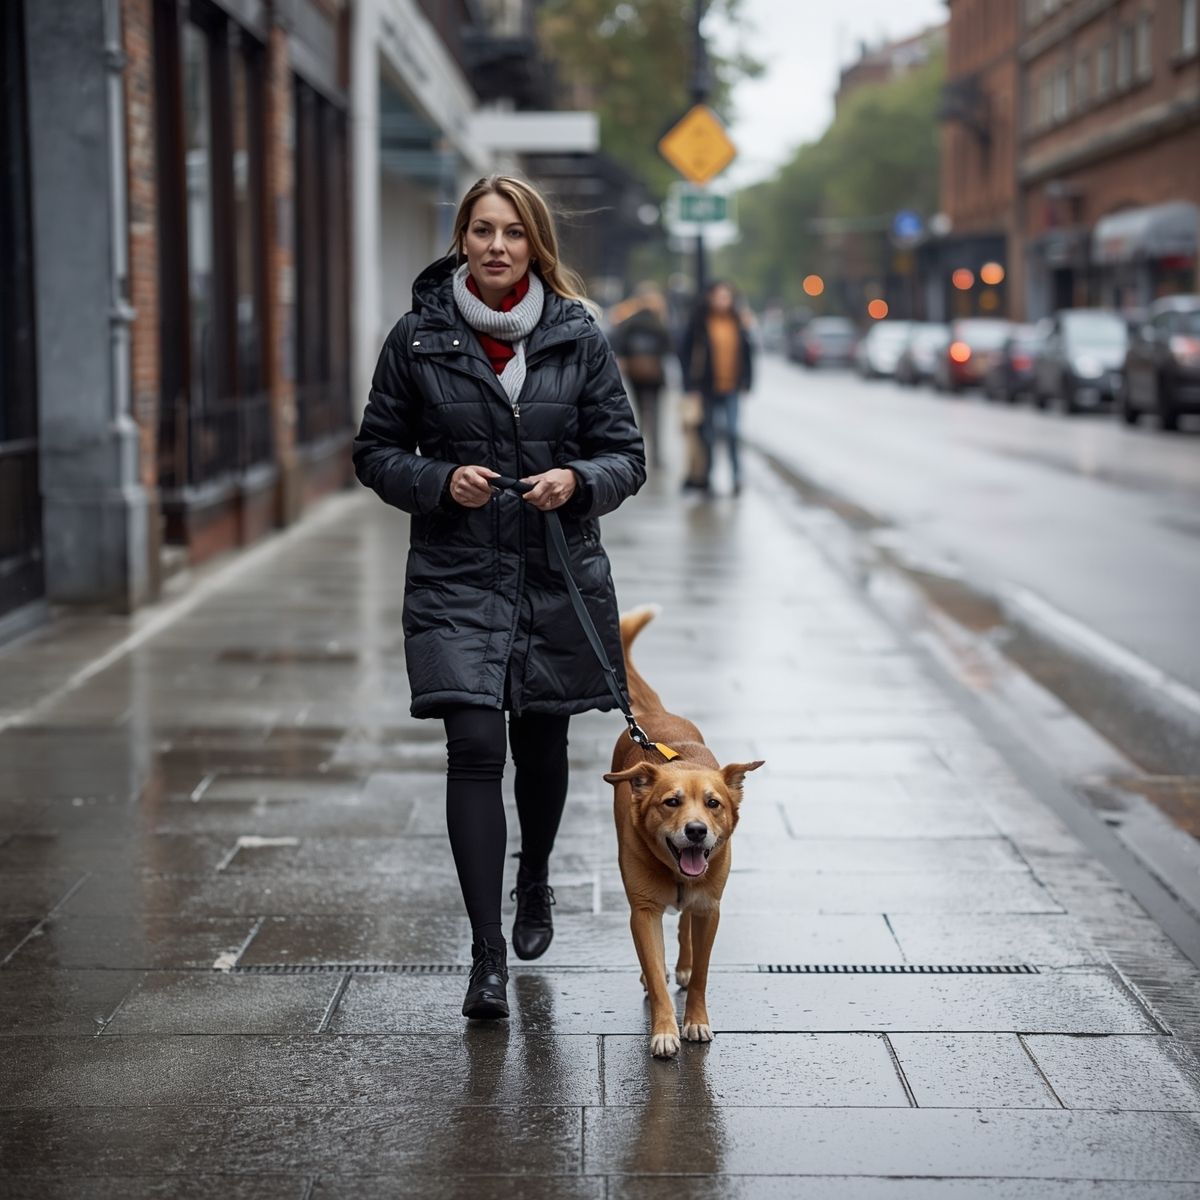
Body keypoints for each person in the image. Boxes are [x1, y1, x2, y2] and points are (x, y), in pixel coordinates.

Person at [353, 176, 646, 1022]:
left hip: (555, 573)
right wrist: (441, 480)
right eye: (481, 230)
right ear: (461, 239)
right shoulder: (418, 338)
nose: (495, 246)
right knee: (476, 745)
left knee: (542, 742)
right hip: (457, 575)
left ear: (534, 244)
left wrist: (575, 480)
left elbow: (625, 455)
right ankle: (486, 955)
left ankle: (536, 877)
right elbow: (375, 452)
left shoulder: (577, 336)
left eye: (512, 233)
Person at [680, 281, 755, 496]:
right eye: (719, 296)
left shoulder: (738, 322)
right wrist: (690, 386)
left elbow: (747, 353)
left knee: (732, 432)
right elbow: (685, 353)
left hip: (732, 386)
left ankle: (737, 478)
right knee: (708, 435)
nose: (723, 300)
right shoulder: (700, 323)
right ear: (711, 298)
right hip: (707, 388)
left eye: (727, 296)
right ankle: (708, 478)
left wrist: (747, 380)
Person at [612, 283, 672, 469]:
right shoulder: (658, 322)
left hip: (636, 372)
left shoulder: (629, 321)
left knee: (639, 412)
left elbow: (618, 342)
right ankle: (655, 454)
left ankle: (639, 451)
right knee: (655, 413)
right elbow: (668, 346)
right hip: (655, 373)